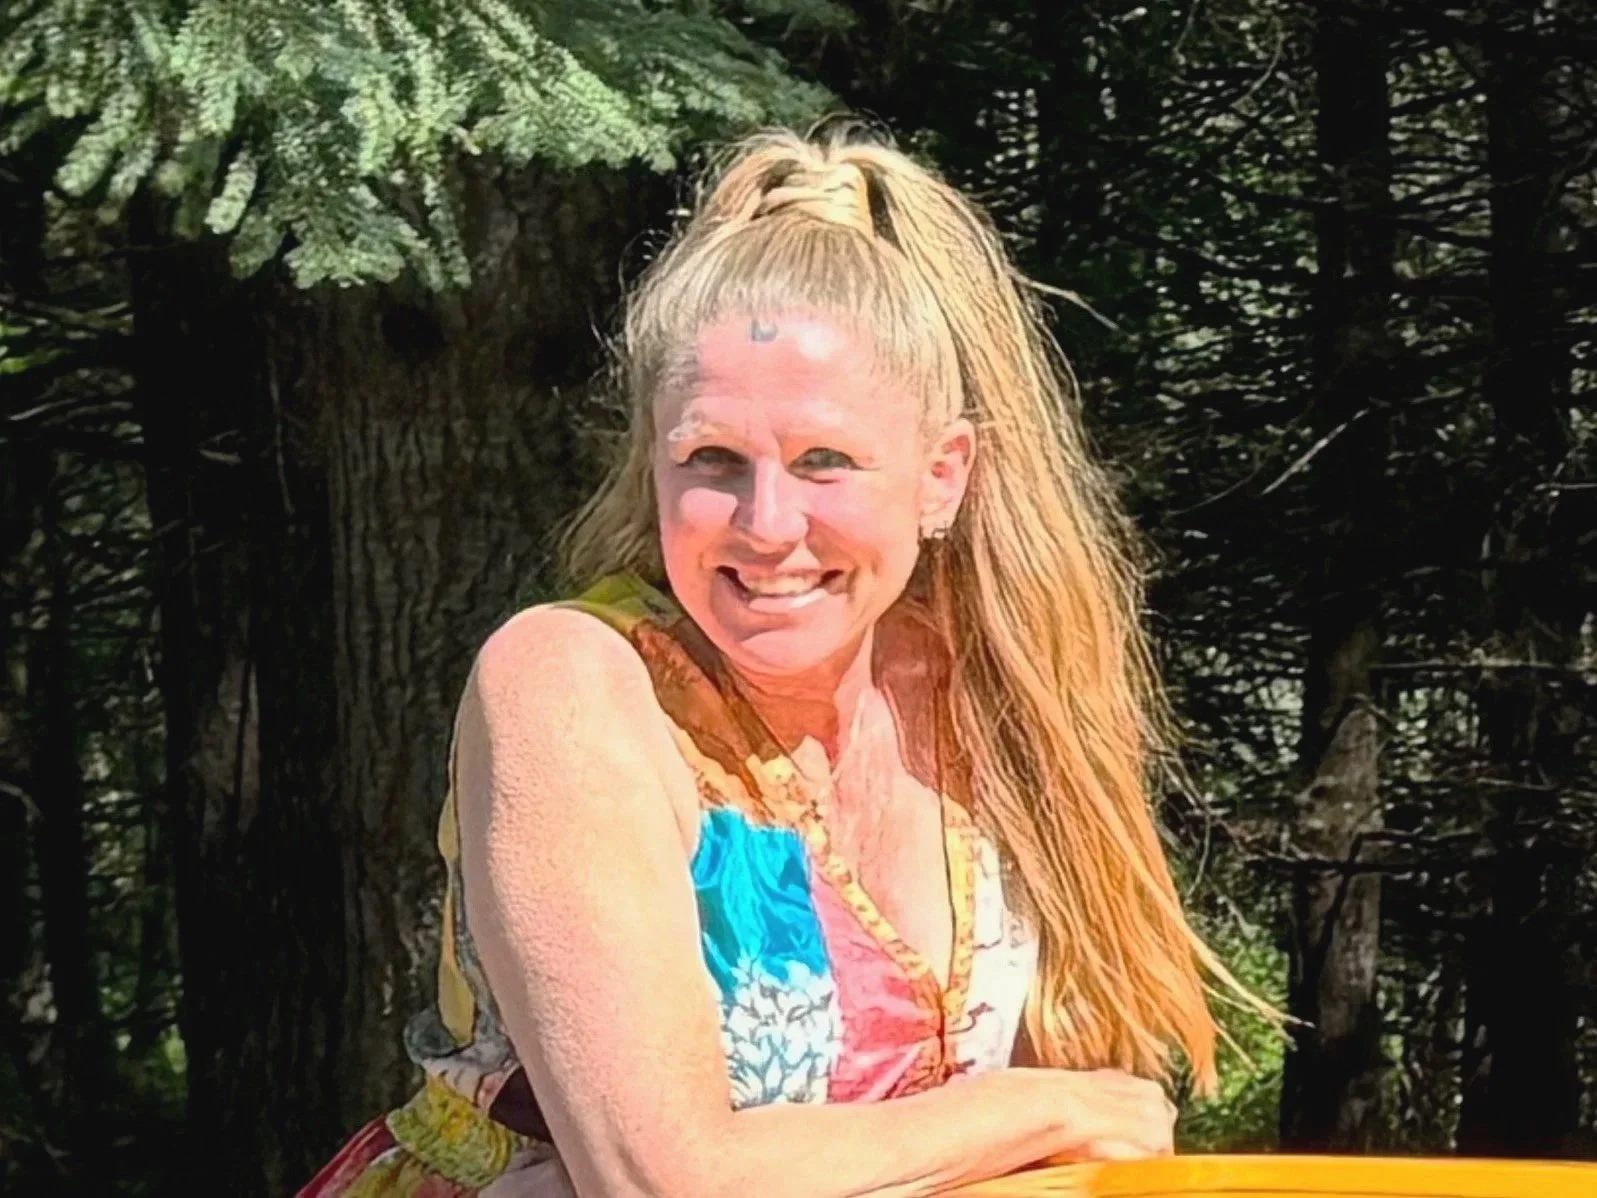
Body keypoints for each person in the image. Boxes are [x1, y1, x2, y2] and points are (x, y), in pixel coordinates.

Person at [299, 123, 1255, 1198]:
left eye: (824, 461)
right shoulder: (569, 682)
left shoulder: (1003, 694)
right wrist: (1034, 1107)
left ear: (942, 476)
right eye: (712, 458)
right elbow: (664, 1178)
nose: (766, 523)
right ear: (650, 456)